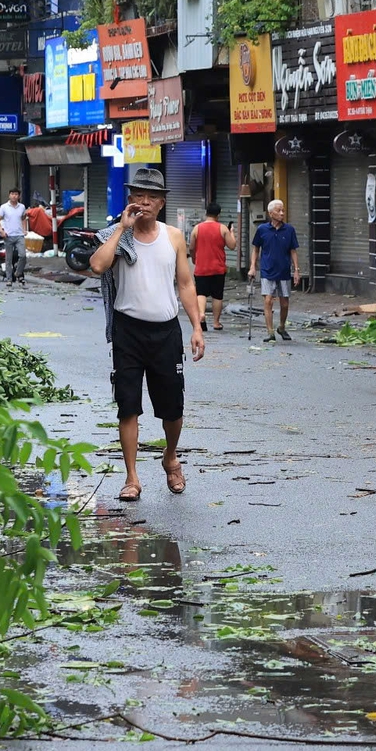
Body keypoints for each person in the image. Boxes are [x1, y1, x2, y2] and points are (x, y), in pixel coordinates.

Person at [91, 166, 204, 501]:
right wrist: (121, 228)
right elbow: (97, 265)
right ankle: (131, 477)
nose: (145, 202)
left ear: (161, 203)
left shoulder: (173, 237)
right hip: (128, 330)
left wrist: (197, 327)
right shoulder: (117, 236)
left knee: (173, 408)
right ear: (130, 201)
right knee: (128, 405)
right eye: (138, 195)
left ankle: (170, 457)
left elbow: (185, 283)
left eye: (151, 196)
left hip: (166, 331)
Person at [249, 198, 301, 341]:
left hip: (284, 270)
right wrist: (253, 267)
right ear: (271, 213)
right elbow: (256, 249)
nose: (282, 213)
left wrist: (296, 270)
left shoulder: (289, 230)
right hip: (267, 270)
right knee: (268, 301)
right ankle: (270, 331)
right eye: (279, 211)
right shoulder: (262, 230)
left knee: (284, 303)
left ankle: (282, 327)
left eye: (283, 210)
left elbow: (293, 251)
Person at [191, 202, 236, 332]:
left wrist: (194, 258)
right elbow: (232, 245)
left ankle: (201, 315)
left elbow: (192, 247)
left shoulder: (197, 228)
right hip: (218, 268)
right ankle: (216, 322)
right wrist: (232, 232)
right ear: (219, 214)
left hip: (201, 267)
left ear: (206, 213)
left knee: (201, 293)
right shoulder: (222, 228)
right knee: (217, 296)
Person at [0, 187, 28, 284]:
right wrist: (1, 230)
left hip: (19, 235)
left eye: (16, 194)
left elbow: (24, 218)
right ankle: (9, 279)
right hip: (8, 235)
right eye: (12, 194)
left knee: (23, 255)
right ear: (9, 195)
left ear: (19, 196)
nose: (14, 196)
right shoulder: (4, 207)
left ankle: (18, 272)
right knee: (8, 259)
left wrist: (25, 230)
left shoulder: (21, 207)